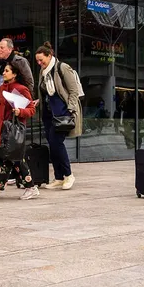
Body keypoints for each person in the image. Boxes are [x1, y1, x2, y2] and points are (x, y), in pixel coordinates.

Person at [0, 62, 38, 202]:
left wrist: (20, 112)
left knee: (6, 160)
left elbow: (31, 109)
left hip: (14, 131)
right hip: (3, 129)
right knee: (16, 159)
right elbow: (0, 114)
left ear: (15, 74)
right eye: (3, 71)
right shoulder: (1, 89)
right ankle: (31, 187)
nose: (3, 73)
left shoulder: (22, 89)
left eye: (6, 71)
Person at [35, 42, 80, 190]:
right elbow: (45, 92)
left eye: (42, 60)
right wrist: (38, 101)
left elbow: (73, 91)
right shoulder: (43, 72)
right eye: (38, 61)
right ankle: (59, 177)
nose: (39, 63)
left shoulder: (62, 68)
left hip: (62, 112)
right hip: (48, 113)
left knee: (56, 143)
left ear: (50, 56)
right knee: (52, 145)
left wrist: (71, 109)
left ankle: (68, 175)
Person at [0, 38, 34, 127]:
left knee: (12, 133)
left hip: (13, 107)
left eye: (2, 48)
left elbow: (29, 83)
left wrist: (25, 103)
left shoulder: (21, 62)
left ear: (10, 49)